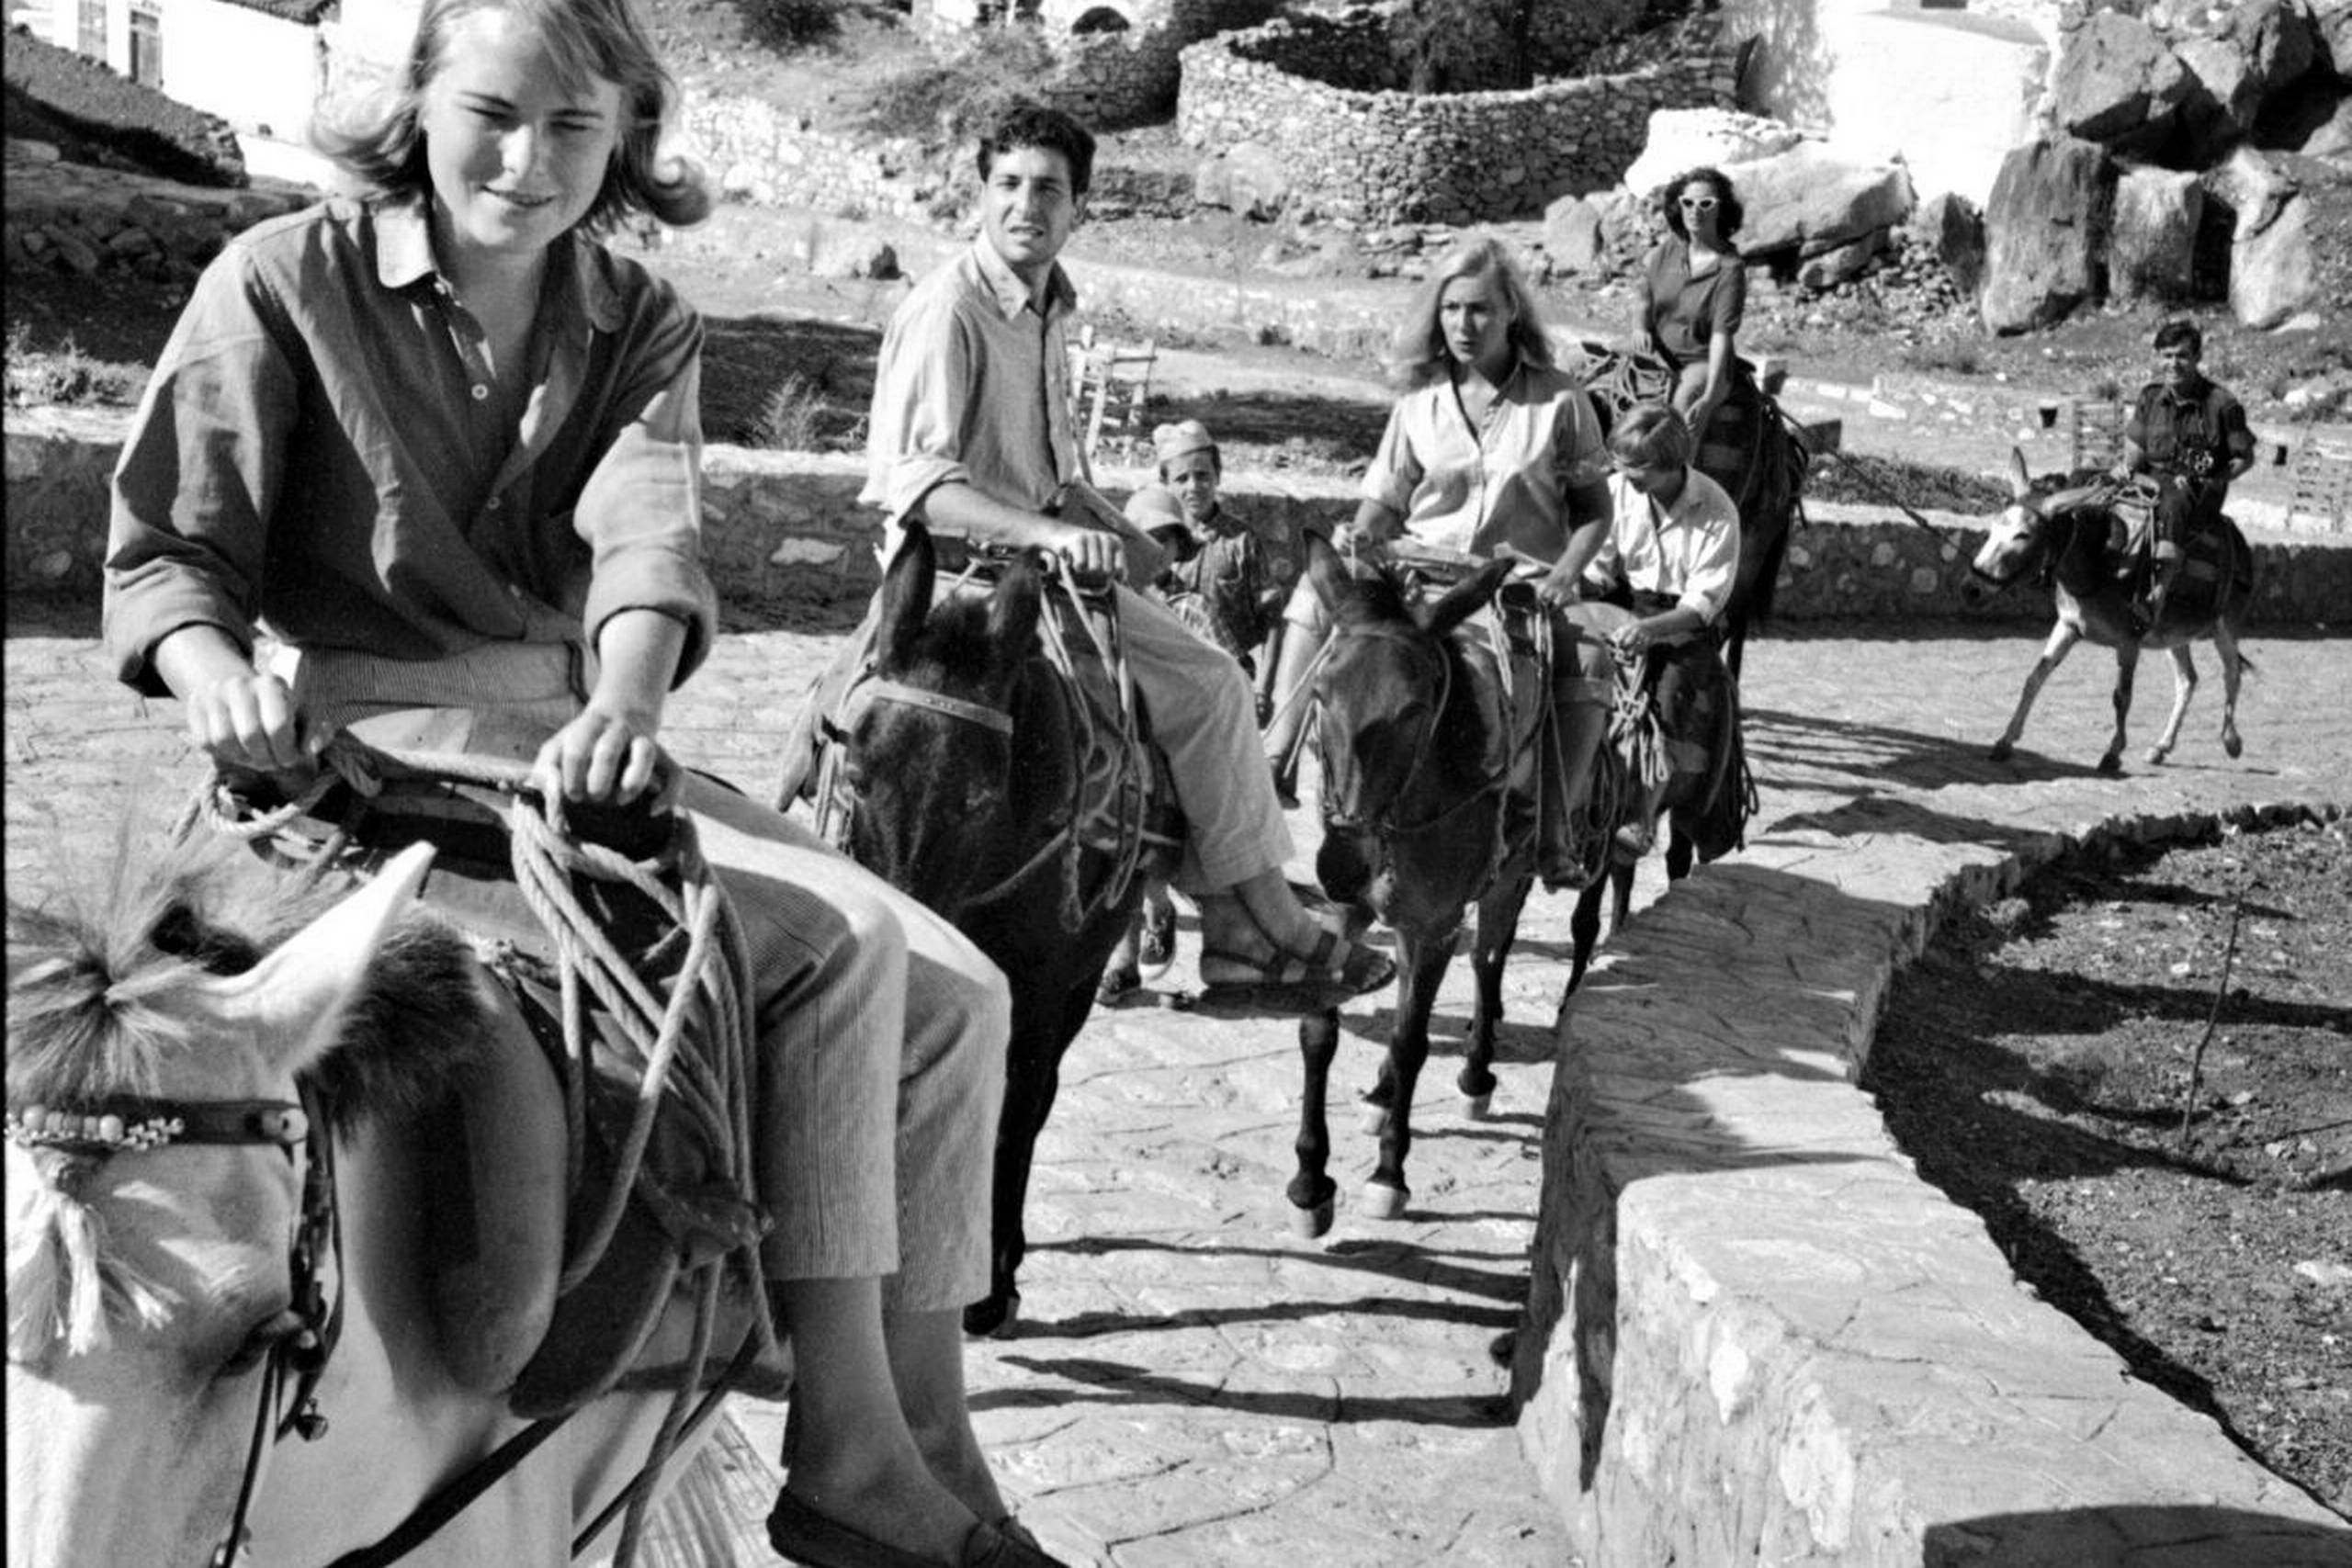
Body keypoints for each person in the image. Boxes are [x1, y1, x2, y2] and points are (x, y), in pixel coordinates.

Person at [97, 4, 1055, 1565]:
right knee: (844, 950)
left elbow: (647, 529)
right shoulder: (279, 281)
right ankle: (851, 1442)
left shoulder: (636, 318)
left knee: (960, 990)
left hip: (571, 746)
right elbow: (174, 552)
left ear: (627, 142)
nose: (527, 162)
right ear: (415, 105)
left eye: (574, 130)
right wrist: (219, 676)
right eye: (493, 113)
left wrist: (621, 697)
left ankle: (895, 1439)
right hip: (344, 760)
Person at [853, 100, 1392, 1014]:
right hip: (963, 580)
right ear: (979, 197)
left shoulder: (1045, 310)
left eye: (1049, 190)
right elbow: (919, 487)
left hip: (1040, 564)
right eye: (1009, 186)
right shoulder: (948, 310)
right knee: (1214, 686)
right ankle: (1257, 927)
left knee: (1190, 667)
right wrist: (1054, 535)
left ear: (1079, 210)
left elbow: (1055, 477)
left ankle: (1227, 923)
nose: (1027, 205)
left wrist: (1144, 551)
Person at [1256, 234, 1616, 888]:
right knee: (1312, 599)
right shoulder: (1418, 402)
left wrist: (1566, 572)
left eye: (1479, 309)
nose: (1463, 325)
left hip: (1514, 583)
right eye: (1450, 309)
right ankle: (1275, 758)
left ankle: (1556, 828)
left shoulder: (1563, 402)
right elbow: (1383, 502)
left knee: (1591, 652)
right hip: (1415, 571)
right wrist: (1362, 539)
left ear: (1512, 312)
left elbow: (1595, 510)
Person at [1561, 405, 1743, 858]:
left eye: (1638, 468)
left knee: (1665, 699)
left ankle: (1639, 812)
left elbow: (1703, 603)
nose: (1626, 476)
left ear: (1671, 464)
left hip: (1680, 624)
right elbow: (1600, 570)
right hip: (1620, 606)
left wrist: (1650, 630)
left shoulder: (1716, 509)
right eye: (1621, 465)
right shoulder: (1617, 490)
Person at [2107, 319, 2255, 630]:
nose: (2173, 363)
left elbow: (2244, 458)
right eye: (2167, 355)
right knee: (2091, 487)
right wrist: (2123, 469)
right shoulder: (2150, 397)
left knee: (2171, 502)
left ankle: (2157, 595)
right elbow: (2136, 446)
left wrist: (2211, 477)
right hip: (2149, 477)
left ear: (2197, 358)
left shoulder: (2222, 405)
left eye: (2182, 355)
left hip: (2196, 488)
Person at [1131, 418, 1287, 708]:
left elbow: (1272, 620)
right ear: (1165, 483)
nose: (1194, 487)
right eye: (1181, 479)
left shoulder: (1241, 541)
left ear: (1218, 475)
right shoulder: (1153, 539)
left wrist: (1263, 691)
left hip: (1231, 680)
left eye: (1203, 475)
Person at [1634, 167, 1760, 503]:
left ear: (1721, 209)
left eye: (1706, 203)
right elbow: (1645, 295)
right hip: (1657, 351)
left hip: (1699, 358)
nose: (1695, 211)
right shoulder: (1667, 252)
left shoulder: (1729, 269)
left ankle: (1673, 491)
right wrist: (1639, 327)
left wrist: (1711, 393)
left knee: (1684, 402)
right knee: (1580, 365)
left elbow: (1721, 336)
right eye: (1688, 202)